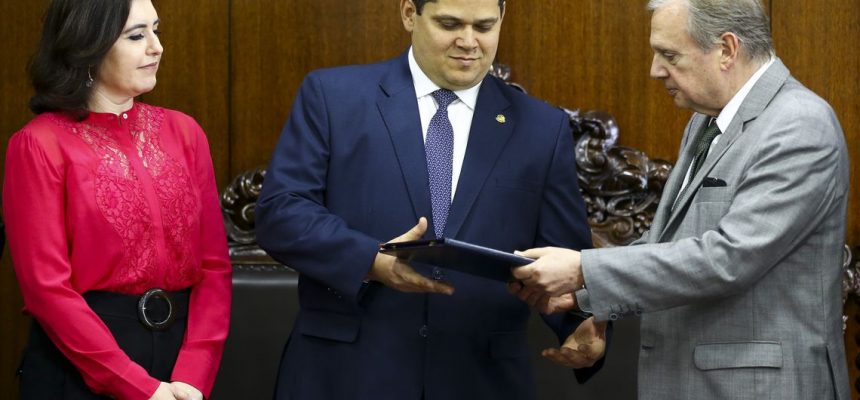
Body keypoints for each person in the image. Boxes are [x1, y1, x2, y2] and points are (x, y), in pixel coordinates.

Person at [254, 0, 607, 398]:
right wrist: (373, 260)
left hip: (479, 379)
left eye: (485, 26)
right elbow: (281, 213)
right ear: (409, 14)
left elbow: (567, 257)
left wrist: (580, 322)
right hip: (346, 374)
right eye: (450, 23)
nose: (469, 42)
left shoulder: (543, 127)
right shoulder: (333, 97)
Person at [510, 0, 851, 399]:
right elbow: (668, 243)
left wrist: (585, 270)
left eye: (669, 55)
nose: (654, 70)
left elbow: (729, 258)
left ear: (726, 49)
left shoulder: (799, 124)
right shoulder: (705, 121)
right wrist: (586, 298)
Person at [3, 0, 232, 399]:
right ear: (88, 45)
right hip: (79, 367)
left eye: (156, 30)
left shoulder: (184, 132)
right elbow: (47, 289)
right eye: (137, 35)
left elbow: (214, 266)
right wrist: (139, 388)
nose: (157, 46)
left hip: (182, 366)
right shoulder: (39, 144)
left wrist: (194, 374)